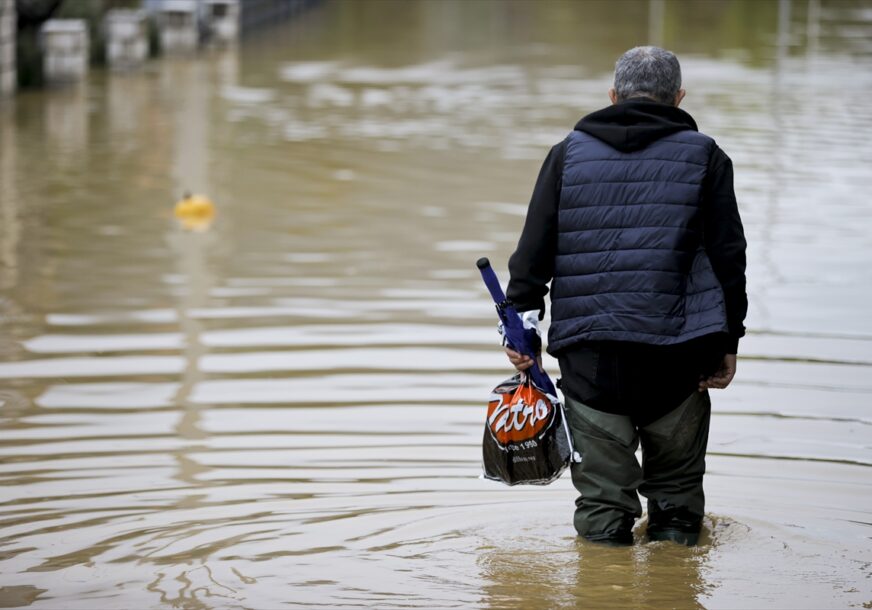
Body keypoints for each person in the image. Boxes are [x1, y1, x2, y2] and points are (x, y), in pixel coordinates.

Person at [504, 46, 747, 546]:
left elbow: (532, 253)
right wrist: (730, 341)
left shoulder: (566, 154)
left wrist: (522, 329)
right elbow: (729, 258)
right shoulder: (706, 156)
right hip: (680, 358)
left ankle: (601, 588)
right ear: (678, 98)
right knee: (677, 502)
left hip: (591, 359)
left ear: (612, 96)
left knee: (601, 508)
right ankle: (672, 583)